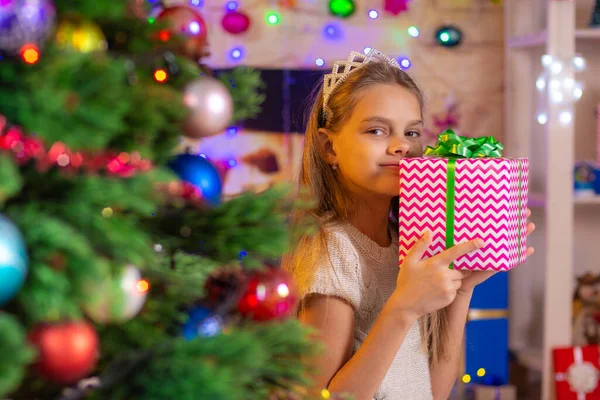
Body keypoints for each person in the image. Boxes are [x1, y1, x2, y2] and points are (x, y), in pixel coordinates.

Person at [281, 49, 535, 400]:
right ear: (329, 147)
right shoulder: (334, 249)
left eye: (412, 132)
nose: (402, 146)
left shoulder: (407, 242)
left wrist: (463, 289)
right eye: (376, 130)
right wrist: (403, 308)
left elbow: (433, 390)